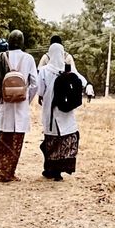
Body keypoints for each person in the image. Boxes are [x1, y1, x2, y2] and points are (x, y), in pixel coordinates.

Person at [0, 29, 37, 182]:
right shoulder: (28, 58)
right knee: (17, 140)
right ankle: (10, 171)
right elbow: (35, 84)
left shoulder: (1, 57)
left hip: (6, 105)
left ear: (9, 42)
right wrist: (26, 99)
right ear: (22, 42)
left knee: (4, 139)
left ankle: (1, 169)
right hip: (21, 105)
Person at [37, 43, 87, 181]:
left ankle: (50, 169)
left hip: (50, 111)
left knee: (50, 141)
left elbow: (40, 91)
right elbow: (83, 81)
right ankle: (58, 170)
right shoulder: (68, 70)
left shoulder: (44, 70)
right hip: (66, 110)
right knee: (64, 138)